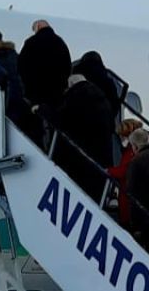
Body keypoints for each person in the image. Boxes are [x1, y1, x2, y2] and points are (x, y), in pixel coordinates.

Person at [50, 55, 120, 203]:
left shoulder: (76, 97)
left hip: (80, 159)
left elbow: (62, 119)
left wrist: (43, 111)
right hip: (101, 155)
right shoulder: (103, 96)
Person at [18, 19, 72, 128]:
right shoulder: (60, 43)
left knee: (35, 122)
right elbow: (68, 66)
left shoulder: (31, 42)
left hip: (35, 92)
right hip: (56, 93)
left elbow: (21, 65)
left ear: (38, 26)